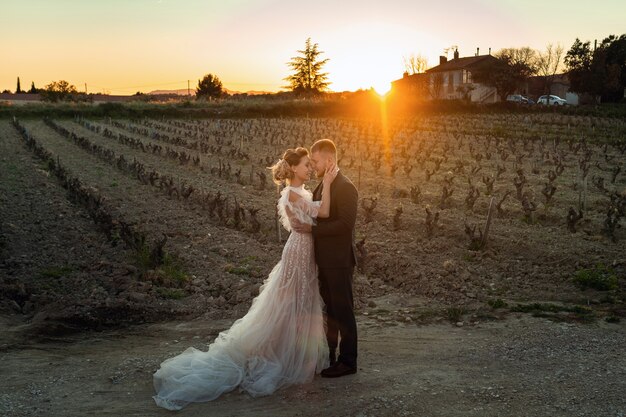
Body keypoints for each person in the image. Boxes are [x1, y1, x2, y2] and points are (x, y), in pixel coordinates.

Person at [152, 147, 338, 410]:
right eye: (307, 165)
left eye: (311, 165)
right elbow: (325, 213)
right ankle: (287, 359)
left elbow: (316, 216)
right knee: (291, 304)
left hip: (303, 249)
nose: (310, 169)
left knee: (299, 302)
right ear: (294, 168)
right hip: (298, 251)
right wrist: (328, 183)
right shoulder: (294, 195)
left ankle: (298, 357)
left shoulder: (297, 192)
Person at [291, 139, 359, 378]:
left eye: (316, 161)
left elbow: (345, 225)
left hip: (339, 261)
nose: (313, 165)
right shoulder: (324, 185)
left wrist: (312, 231)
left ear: (329, 160)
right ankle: (331, 357)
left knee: (343, 312)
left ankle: (348, 362)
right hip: (325, 260)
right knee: (330, 311)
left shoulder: (346, 187)